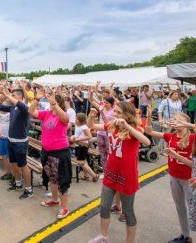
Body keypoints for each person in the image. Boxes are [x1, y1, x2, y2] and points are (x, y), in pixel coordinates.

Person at [87, 101, 150, 243]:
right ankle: (103, 237)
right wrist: (91, 116)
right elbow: (91, 126)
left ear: (128, 115)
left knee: (128, 212)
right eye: (115, 111)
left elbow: (146, 142)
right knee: (104, 206)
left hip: (127, 176)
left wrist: (127, 126)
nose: (115, 115)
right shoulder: (112, 125)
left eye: (118, 112)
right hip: (110, 172)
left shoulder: (135, 128)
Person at [145, 110, 195, 243]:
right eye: (174, 119)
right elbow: (149, 131)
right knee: (180, 206)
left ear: (185, 123)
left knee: (193, 209)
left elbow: (192, 164)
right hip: (174, 176)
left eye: (178, 120)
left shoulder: (192, 138)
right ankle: (185, 236)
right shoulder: (170, 135)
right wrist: (149, 116)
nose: (174, 122)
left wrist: (177, 155)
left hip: (189, 179)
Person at [29, 90, 72, 218]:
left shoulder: (63, 115)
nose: (50, 104)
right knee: (52, 177)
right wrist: (37, 98)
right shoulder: (46, 114)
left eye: (53, 102)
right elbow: (31, 111)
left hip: (60, 153)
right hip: (47, 152)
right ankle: (54, 199)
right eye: (50, 102)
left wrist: (54, 104)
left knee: (62, 180)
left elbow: (65, 118)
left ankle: (64, 208)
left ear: (59, 104)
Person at [70, 113, 99, 182]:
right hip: (79, 145)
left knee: (81, 162)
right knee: (83, 161)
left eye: (77, 118)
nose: (75, 119)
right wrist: (73, 137)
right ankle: (85, 175)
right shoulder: (78, 126)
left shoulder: (84, 127)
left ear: (81, 120)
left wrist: (79, 139)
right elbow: (77, 135)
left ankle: (94, 175)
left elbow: (89, 136)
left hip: (83, 146)